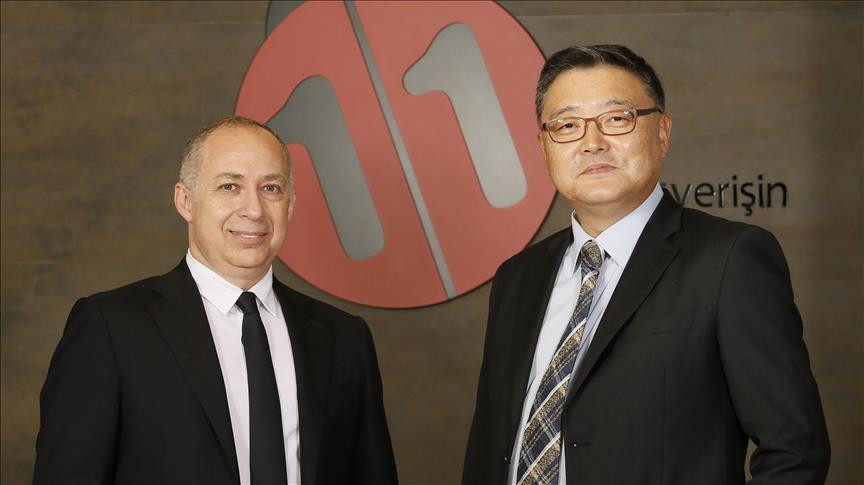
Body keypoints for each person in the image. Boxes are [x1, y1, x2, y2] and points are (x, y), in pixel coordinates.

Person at [463, 45, 830, 485]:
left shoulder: (730, 260)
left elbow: (794, 452)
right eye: (567, 125)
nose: (592, 143)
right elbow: (489, 448)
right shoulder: (518, 277)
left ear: (662, 133)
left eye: (617, 118)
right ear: (544, 147)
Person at [34, 116, 398, 485]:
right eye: (229, 186)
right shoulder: (110, 328)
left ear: (289, 206)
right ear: (185, 201)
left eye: (271, 188)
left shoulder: (344, 337)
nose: (254, 210)